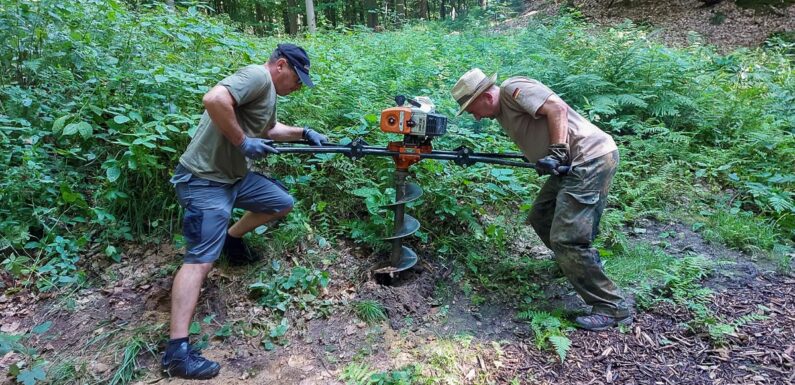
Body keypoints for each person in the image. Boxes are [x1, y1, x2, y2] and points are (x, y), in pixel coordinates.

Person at [161, 43, 328, 380]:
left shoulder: (268, 92)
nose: (299, 86)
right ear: (281, 65)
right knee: (199, 260)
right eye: (298, 79)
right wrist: (242, 142)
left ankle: (231, 238)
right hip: (205, 180)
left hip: (234, 178)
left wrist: (304, 133)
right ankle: (176, 352)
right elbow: (214, 99)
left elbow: (270, 130)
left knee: (280, 202)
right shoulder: (256, 76)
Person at [451, 68, 631, 331]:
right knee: (541, 216)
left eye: (472, 110)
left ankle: (612, 307)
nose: (475, 116)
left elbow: (557, 108)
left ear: (486, 97)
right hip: (570, 165)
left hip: (589, 158)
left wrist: (556, 153)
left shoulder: (512, 89)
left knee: (567, 238)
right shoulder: (502, 112)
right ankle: (575, 266)